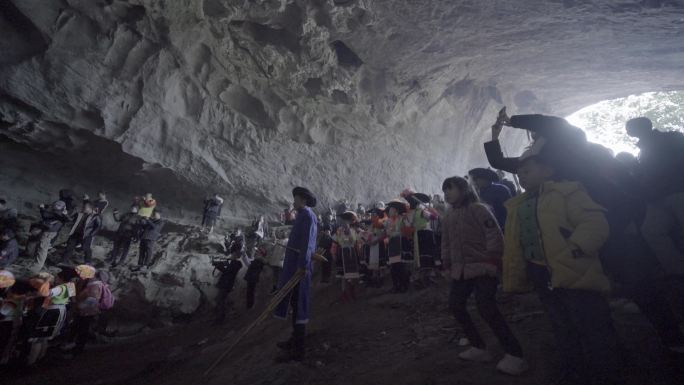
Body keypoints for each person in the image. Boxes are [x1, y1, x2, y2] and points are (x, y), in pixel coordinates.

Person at [502, 152, 623, 385]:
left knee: (591, 323)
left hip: (575, 270)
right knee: (560, 323)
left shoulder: (566, 192)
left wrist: (576, 249)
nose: (522, 178)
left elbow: (594, 222)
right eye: (519, 175)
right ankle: (574, 369)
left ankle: (607, 371)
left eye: (527, 172)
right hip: (541, 273)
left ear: (549, 170)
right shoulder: (519, 204)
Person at [441, 176, 527, 375]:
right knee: (455, 305)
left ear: (464, 189)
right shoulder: (448, 216)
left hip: (483, 267)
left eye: (450, 189)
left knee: (486, 307)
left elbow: (494, 235)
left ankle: (515, 354)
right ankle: (479, 347)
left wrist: (492, 261)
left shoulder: (479, 209)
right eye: (444, 190)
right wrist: (446, 264)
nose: (446, 193)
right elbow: (445, 242)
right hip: (461, 270)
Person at [626, 117, 684, 316]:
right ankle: (676, 273)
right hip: (658, 196)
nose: (630, 132)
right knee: (651, 231)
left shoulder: (669, 139)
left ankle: (676, 272)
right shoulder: (653, 146)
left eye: (631, 128)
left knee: (653, 231)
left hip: (676, 190)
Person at [274, 186, 318, 362]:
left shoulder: (308, 216)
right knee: (294, 303)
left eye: (296, 199)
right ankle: (294, 339)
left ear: (304, 200)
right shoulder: (301, 216)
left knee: (299, 304)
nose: (293, 202)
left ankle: (299, 350)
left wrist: (303, 266)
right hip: (294, 267)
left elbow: (308, 244)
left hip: (300, 269)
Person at [28, 201, 70, 274]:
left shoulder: (58, 213)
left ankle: (36, 268)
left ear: (61, 207)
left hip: (49, 232)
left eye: (57, 205)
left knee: (42, 249)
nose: (55, 206)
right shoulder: (59, 212)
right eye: (55, 204)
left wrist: (42, 208)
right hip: (49, 231)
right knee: (41, 247)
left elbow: (45, 215)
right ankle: (36, 264)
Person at [213, 232, 245, 325]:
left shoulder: (237, 263)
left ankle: (220, 318)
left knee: (221, 300)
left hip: (227, 284)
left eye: (233, 253)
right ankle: (219, 316)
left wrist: (219, 266)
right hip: (225, 283)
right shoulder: (233, 262)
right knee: (219, 300)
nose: (232, 254)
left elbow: (228, 272)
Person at [333, 211, 361, 302]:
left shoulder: (353, 230)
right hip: (342, 253)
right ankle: (344, 294)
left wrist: (348, 232)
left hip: (351, 253)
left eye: (347, 221)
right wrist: (333, 253)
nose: (344, 222)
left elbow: (354, 241)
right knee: (343, 276)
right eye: (343, 220)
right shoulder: (339, 230)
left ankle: (352, 292)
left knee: (353, 275)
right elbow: (335, 242)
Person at [384, 199, 410, 293]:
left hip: (400, 244)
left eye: (391, 210)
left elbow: (407, 229)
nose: (389, 211)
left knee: (401, 266)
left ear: (396, 211)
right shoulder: (387, 221)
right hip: (392, 245)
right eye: (389, 210)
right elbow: (387, 232)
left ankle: (404, 285)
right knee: (393, 267)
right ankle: (396, 285)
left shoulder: (402, 218)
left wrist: (405, 220)